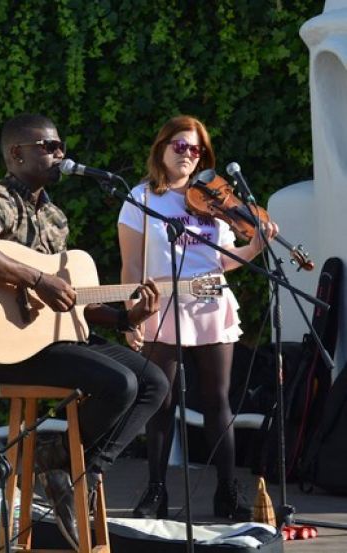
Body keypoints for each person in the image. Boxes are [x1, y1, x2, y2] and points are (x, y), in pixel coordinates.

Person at [0, 113, 169, 548]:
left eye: (60, 145)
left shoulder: (54, 215)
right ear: (17, 154)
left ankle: (70, 464)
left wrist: (126, 318)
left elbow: (71, 300)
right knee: (119, 383)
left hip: (60, 339)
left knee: (153, 382)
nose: (59, 153)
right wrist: (35, 280)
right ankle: (67, 466)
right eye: (47, 146)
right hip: (13, 350)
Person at [117, 115, 278, 521]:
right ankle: (156, 492)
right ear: (162, 149)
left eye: (196, 149)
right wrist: (131, 314)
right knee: (160, 400)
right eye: (180, 146)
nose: (189, 155)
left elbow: (222, 260)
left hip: (209, 301)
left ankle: (227, 491)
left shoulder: (211, 199)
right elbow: (131, 266)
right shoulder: (141, 199)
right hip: (161, 303)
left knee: (217, 400)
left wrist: (256, 246)